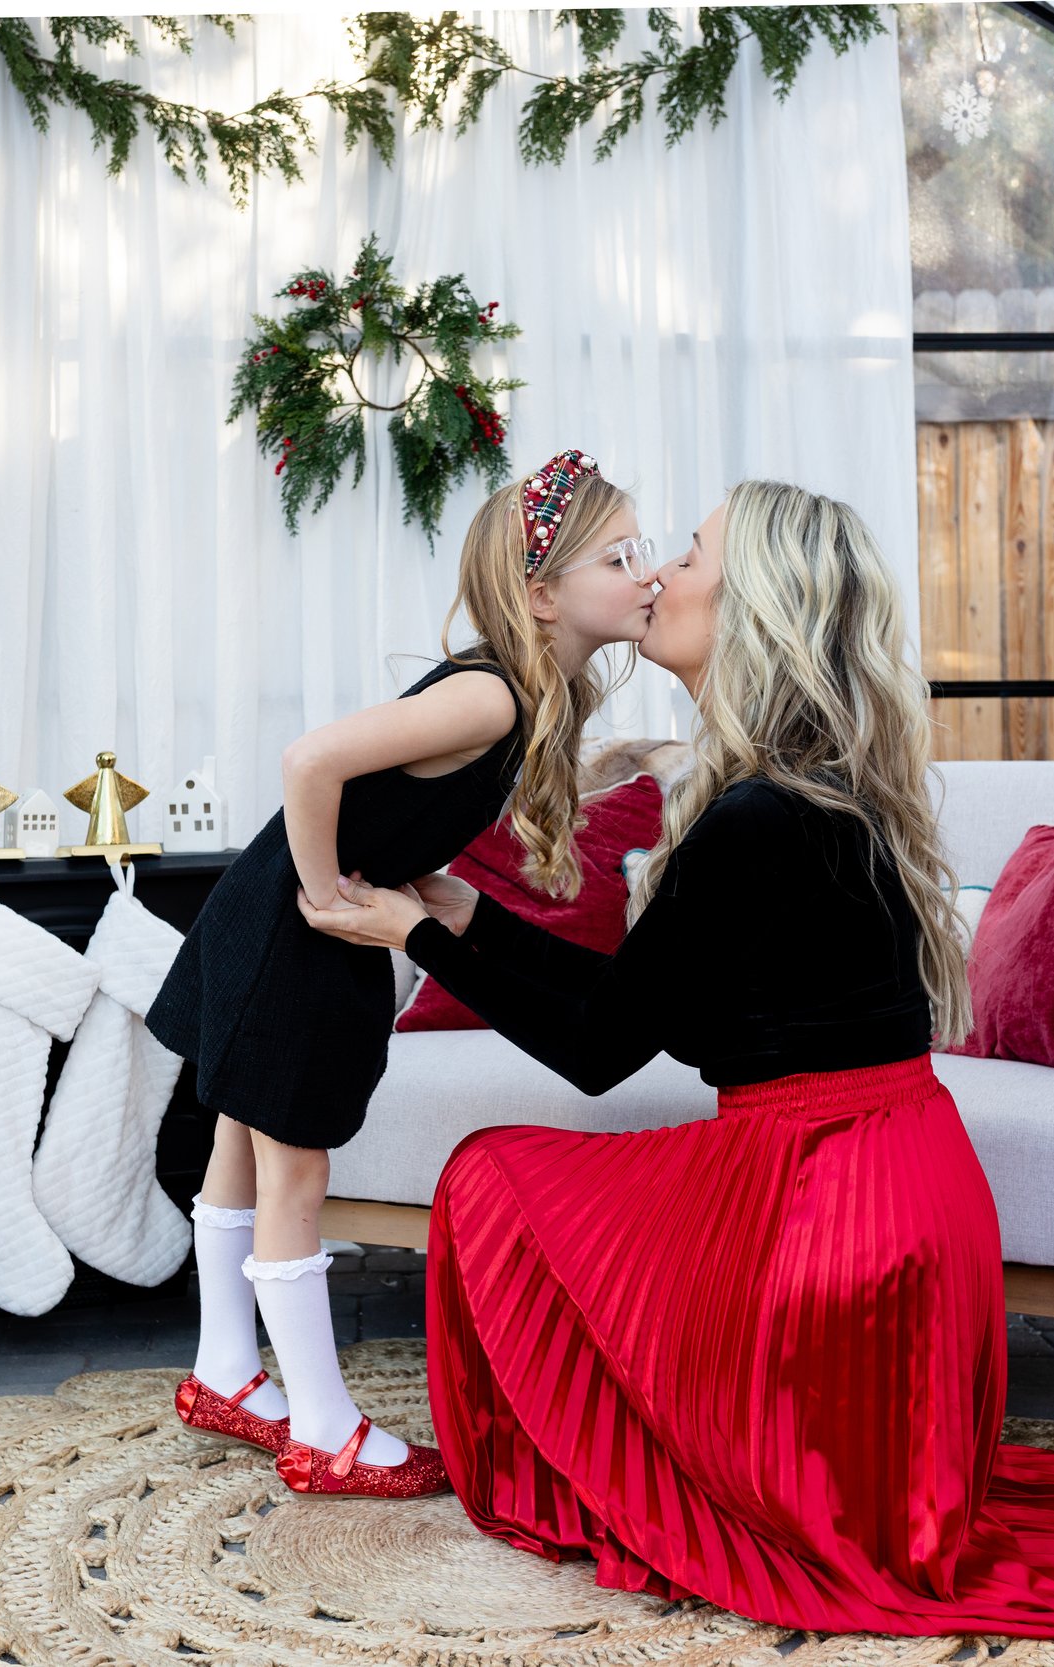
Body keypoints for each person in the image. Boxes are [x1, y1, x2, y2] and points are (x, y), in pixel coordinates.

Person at [299, 480, 1054, 1645]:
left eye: (687, 555)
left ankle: (609, 1457)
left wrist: (421, 934)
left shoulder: (753, 814)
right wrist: (463, 921)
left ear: (747, 603)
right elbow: (661, 1021)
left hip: (829, 1215)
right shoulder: (805, 789)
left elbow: (600, 1048)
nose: (656, 574)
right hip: (895, 1192)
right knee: (531, 1178)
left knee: (492, 1177)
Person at [144, 448, 665, 1498]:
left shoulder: (524, 691)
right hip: (296, 926)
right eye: (620, 556)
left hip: (273, 916)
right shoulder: (490, 698)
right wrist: (330, 897)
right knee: (295, 1171)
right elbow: (310, 760)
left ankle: (224, 1370)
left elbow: (383, 796)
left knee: (240, 1144)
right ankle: (323, 1428)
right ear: (542, 592)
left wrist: (400, 874)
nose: (647, 573)